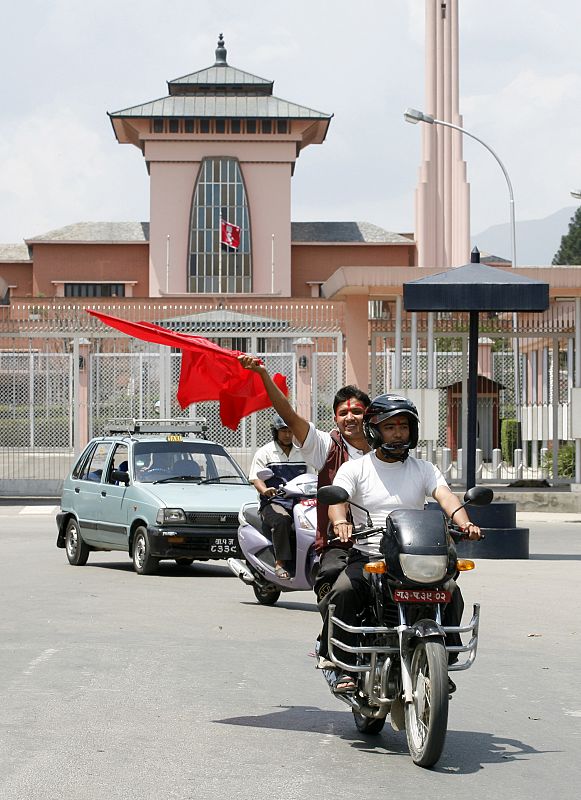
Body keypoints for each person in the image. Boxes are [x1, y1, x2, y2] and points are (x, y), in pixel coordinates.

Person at [324, 393, 482, 694]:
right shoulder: (356, 469)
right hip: (370, 555)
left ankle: (442, 658)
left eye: (404, 427)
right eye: (390, 427)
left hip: (414, 556)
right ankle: (342, 665)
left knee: (450, 590)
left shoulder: (424, 469)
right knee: (344, 590)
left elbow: (445, 496)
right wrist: (341, 522)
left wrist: (465, 523)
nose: (398, 433)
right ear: (374, 430)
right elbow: (338, 499)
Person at [238, 354, 371, 604]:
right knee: (335, 587)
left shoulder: (385, 451)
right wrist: (263, 375)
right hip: (340, 544)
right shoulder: (326, 446)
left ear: (369, 414)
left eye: (357, 411)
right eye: (344, 412)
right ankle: (330, 639)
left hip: (381, 542)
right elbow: (288, 414)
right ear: (336, 418)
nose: (350, 417)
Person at [248, 414, 314, 579]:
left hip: (300, 502)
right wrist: (265, 490)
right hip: (273, 502)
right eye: (283, 431)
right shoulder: (265, 452)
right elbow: (256, 479)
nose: (287, 434)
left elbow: (312, 477)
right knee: (282, 520)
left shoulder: (303, 453)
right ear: (275, 432)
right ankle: (280, 564)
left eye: (290, 431)